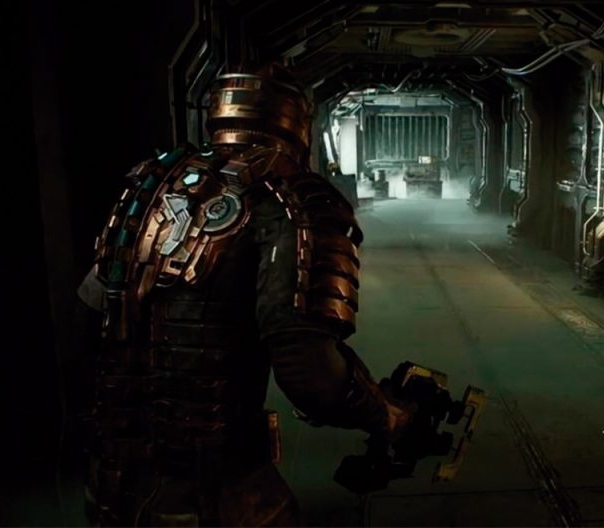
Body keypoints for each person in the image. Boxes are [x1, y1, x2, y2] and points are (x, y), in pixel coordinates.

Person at [76, 64, 410, 526]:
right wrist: (383, 415)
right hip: (217, 496)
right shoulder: (293, 199)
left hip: (112, 482)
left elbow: (91, 315)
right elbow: (308, 372)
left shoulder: (150, 184)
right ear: (297, 124)